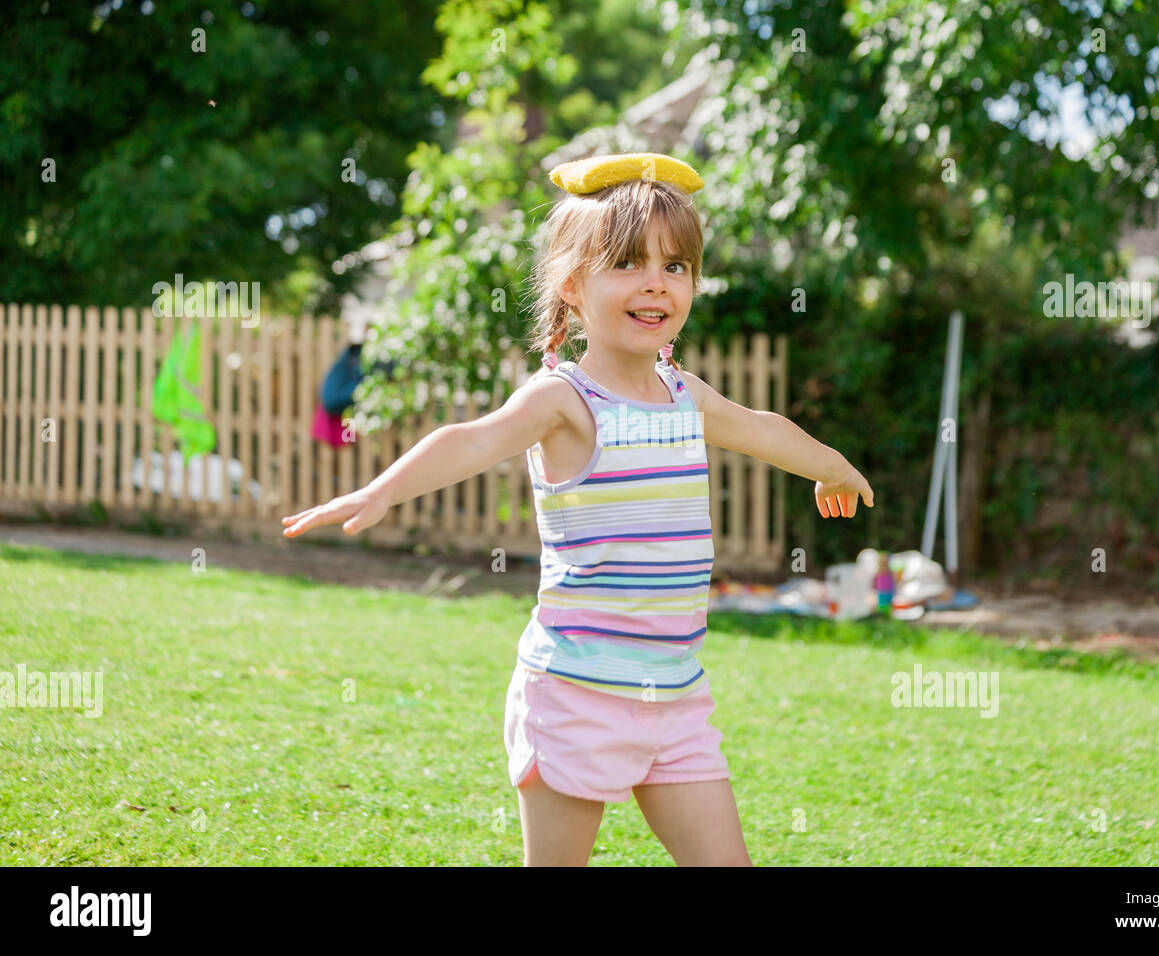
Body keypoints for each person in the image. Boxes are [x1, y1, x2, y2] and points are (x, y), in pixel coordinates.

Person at [281, 152, 875, 867]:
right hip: (575, 695)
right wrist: (381, 490)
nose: (657, 281)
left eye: (676, 266)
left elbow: (761, 426)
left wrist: (831, 465)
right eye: (629, 262)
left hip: (677, 699)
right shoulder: (563, 399)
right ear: (572, 285)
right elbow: (471, 440)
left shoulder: (685, 395)